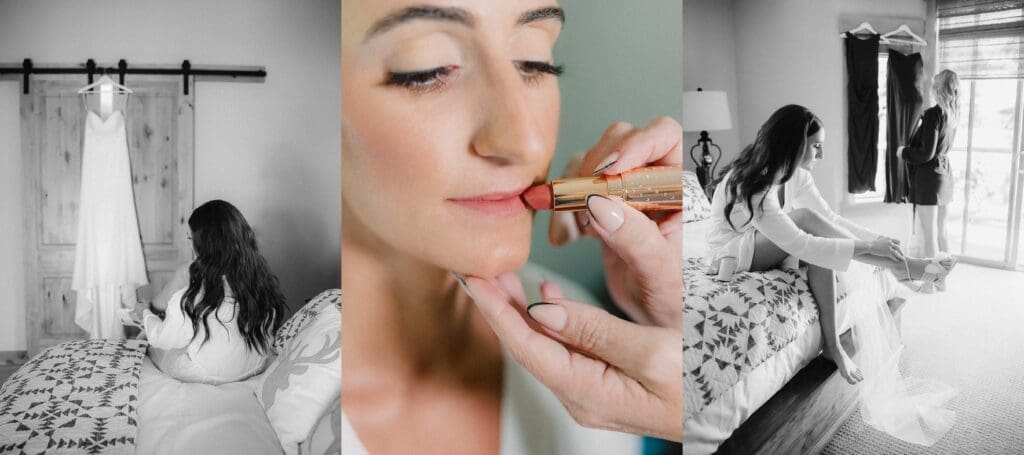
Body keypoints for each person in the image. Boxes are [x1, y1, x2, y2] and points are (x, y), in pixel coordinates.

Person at [340, 1, 682, 452]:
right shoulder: (262, 416)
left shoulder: (585, 339)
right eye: (425, 70)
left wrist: (683, 325)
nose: (526, 140)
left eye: (533, 61)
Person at [706, 104, 957, 384]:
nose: (821, 154)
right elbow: (802, 243)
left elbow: (830, 219)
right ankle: (901, 268)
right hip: (733, 252)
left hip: (766, 243)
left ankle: (832, 344)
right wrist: (874, 250)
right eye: (816, 146)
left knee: (816, 231)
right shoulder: (754, 183)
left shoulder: (796, 175)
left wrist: (875, 240)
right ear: (794, 146)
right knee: (804, 220)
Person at [142, 200, 288, 385]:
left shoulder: (190, 298)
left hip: (205, 373)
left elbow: (161, 339)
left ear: (204, 244)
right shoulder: (261, 285)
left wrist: (145, 315)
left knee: (158, 349)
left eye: (190, 238)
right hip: (254, 364)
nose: (189, 245)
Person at [899, 69, 960, 261]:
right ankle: (941, 280)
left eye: (934, 84)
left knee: (930, 235)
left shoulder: (934, 114)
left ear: (938, 88)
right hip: (944, 176)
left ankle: (931, 281)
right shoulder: (953, 115)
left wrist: (903, 152)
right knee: (942, 232)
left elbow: (926, 153)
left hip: (929, 179)